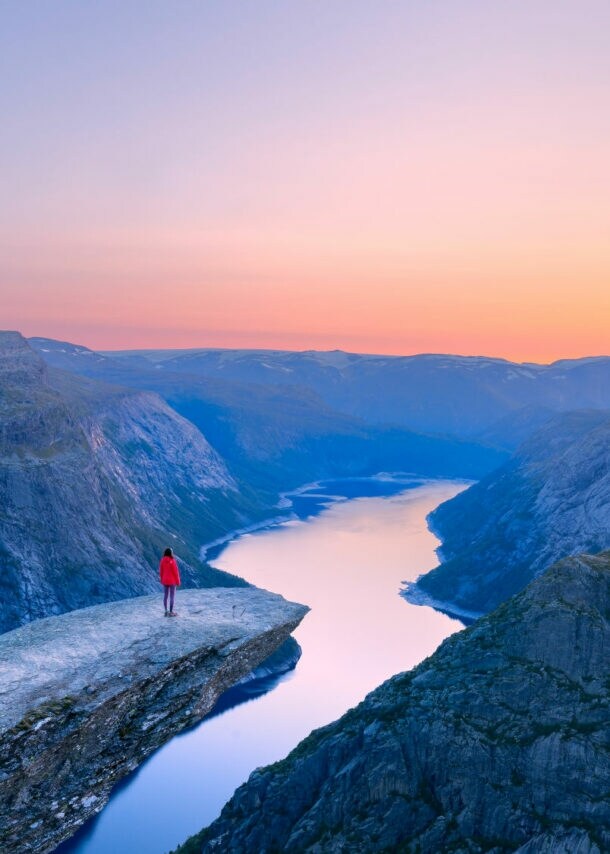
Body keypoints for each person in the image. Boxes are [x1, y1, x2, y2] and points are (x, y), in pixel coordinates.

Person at [159, 547, 181, 616]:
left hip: (165, 581)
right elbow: (176, 572)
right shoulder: (172, 560)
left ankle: (166, 611)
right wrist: (178, 581)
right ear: (170, 553)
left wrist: (162, 579)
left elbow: (161, 571)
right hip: (172, 581)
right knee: (172, 596)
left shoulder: (162, 560)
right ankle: (171, 612)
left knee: (165, 596)